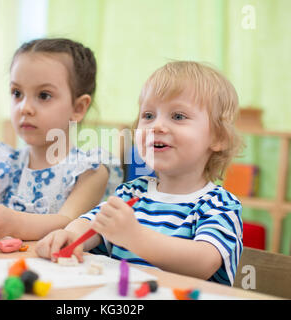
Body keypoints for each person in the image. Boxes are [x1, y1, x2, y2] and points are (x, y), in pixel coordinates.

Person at [36, 61, 244, 286]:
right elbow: (93, 223)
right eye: (148, 115)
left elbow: (203, 263)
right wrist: (71, 235)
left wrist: (134, 236)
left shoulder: (220, 205)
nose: (156, 126)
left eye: (178, 116)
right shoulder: (131, 192)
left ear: (218, 138)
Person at [0, 38, 123, 246]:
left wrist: (14, 223)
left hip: (65, 272)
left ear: (78, 108)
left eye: (44, 95)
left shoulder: (89, 170)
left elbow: (68, 222)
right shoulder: (5, 166)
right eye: (17, 93)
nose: (24, 108)